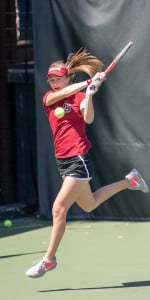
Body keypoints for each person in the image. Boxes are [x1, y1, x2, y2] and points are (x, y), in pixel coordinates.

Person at [26, 48, 149, 278]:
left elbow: (88, 118)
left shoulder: (80, 96)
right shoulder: (49, 98)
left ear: (67, 77)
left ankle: (49, 259)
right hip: (63, 159)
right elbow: (63, 94)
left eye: (58, 79)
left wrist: (90, 95)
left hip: (78, 157)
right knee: (89, 204)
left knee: (58, 209)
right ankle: (130, 180)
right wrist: (89, 83)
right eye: (51, 80)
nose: (54, 83)